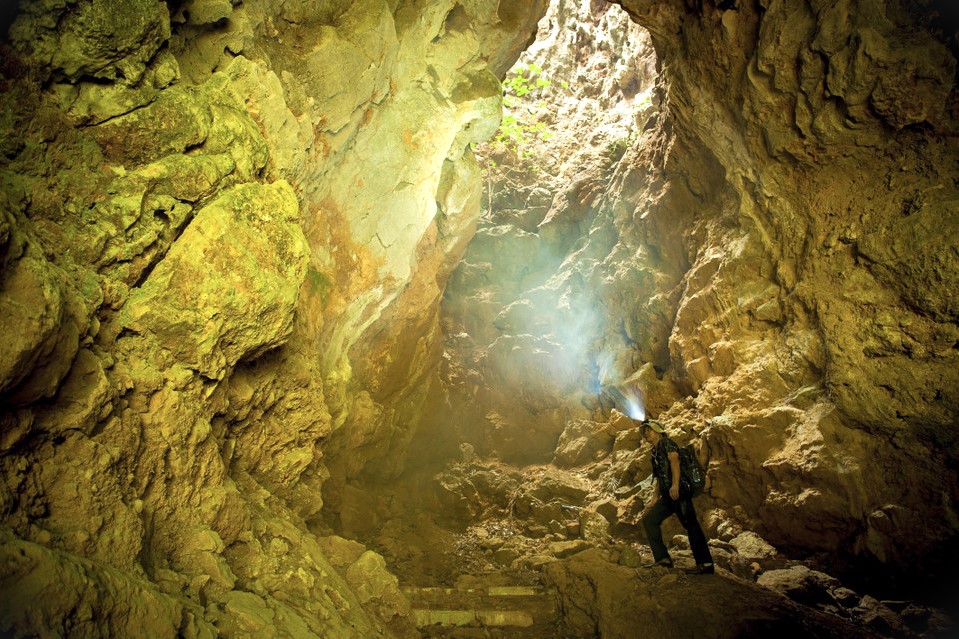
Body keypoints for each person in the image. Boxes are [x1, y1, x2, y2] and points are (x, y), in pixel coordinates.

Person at [639, 418, 715, 574]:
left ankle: (706, 564)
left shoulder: (667, 443)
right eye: (644, 431)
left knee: (691, 525)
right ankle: (663, 559)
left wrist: (675, 485)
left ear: (658, 430)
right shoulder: (654, 452)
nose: (646, 433)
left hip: (679, 492)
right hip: (668, 497)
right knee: (650, 519)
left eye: (649, 429)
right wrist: (653, 500)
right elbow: (660, 478)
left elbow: (675, 461)